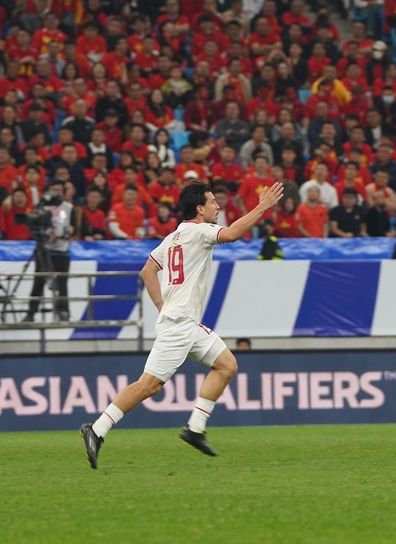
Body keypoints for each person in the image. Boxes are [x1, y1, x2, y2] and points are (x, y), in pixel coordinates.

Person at [80, 180, 284, 468]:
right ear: (200, 209)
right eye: (213, 202)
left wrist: (163, 306)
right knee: (149, 385)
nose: (218, 206)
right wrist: (262, 207)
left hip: (184, 321)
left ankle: (195, 429)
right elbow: (234, 234)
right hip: (179, 325)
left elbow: (147, 271)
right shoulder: (201, 232)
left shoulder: (174, 237)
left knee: (227, 365)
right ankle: (97, 429)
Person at [23, 182, 74, 323]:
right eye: (53, 189)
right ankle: (31, 312)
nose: (55, 192)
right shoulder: (41, 206)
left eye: (58, 190)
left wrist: (69, 230)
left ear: (63, 193)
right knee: (38, 282)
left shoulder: (68, 208)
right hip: (44, 249)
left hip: (61, 251)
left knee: (62, 283)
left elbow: (73, 227)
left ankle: (63, 311)